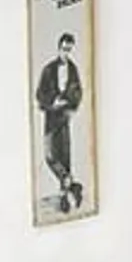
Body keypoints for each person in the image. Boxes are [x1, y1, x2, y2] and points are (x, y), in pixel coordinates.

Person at [34, 31, 85, 214]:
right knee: (49, 155)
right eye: (64, 49)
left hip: (64, 118)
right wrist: (51, 102)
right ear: (58, 48)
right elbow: (39, 94)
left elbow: (78, 93)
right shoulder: (48, 69)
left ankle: (65, 200)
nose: (67, 53)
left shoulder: (73, 69)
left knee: (65, 157)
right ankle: (71, 185)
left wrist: (71, 108)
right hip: (50, 117)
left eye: (70, 50)